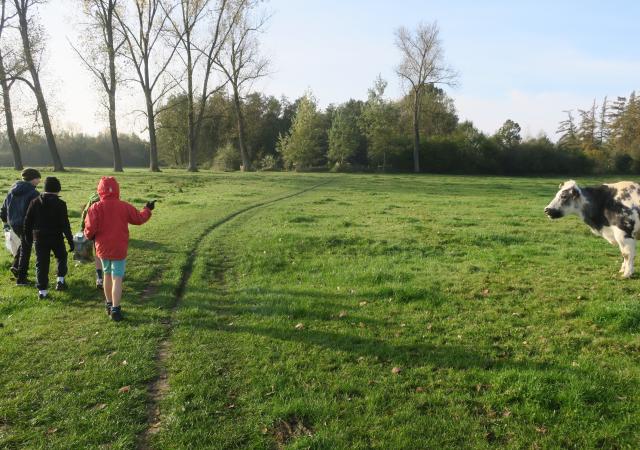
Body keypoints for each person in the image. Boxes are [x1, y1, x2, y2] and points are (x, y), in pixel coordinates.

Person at [84, 177, 155, 322]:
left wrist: (88, 236)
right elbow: (139, 219)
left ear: (100, 190)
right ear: (117, 189)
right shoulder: (124, 206)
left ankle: (109, 304)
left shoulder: (95, 207)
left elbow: (90, 229)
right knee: (117, 278)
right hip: (119, 248)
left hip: (102, 248)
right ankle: (116, 308)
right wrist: (147, 209)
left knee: (107, 275)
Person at [23, 177, 74, 299]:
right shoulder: (61, 204)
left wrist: (28, 238)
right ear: (58, 190)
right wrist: (71, 241)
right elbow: (65, 225)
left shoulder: (34, 202)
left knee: (42, 264)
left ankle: (42, 292)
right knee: (61, 256)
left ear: (44, 189)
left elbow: (27, 221)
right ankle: (60, 281)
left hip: (39, 238)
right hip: (56, 237)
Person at [0, 168, 41, 285]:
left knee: (24, 244)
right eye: (38, 178)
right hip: (27, 224)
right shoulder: (34, 193)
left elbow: (3, 209)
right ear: (33, 179)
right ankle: (21, 279)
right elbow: (37, 212)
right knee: (26, 250)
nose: (39, 181)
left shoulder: (11, 190)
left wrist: (5, 222)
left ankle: (16, 266)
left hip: (14, 223)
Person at [81, 191, 103, 289]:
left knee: (98, 254)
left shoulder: (93, 199)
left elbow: (85, 214)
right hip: (112, 231)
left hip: (96, 231)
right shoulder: (115, 198)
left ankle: (99, 278)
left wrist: (83, 228)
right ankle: (113, 275)